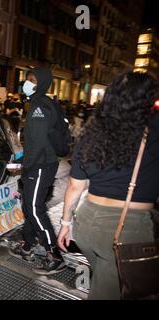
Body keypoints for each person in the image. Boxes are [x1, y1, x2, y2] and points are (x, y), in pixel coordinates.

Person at [57, 72, 159, 300]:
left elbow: (75, 186)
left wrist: (65, 224)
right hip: (126, 228)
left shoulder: (95, 130)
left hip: (86, 224)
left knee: (106, 279)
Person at [9, 67, 64, 275]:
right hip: (42, 162)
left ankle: (54, 254)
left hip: (40, 165)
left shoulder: (39, 106)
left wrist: (25, 165)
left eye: (32, 79)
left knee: (34, 209)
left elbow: (39, 142)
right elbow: (35, 141)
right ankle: (27, 244)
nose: (27, 82)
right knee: (30, 205)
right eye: (27, 78)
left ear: (40, 83)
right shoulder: (39, 103)